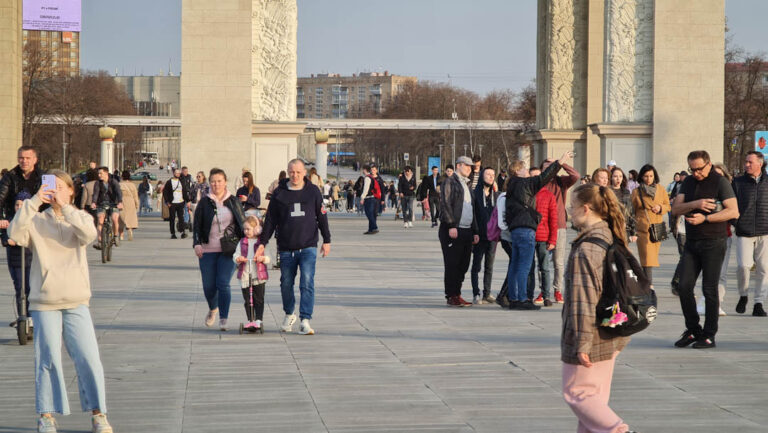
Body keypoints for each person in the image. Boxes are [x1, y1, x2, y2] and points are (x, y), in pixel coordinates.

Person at [9, 170, 113, 433]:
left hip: (76, 299)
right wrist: (34, 201)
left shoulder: (78, 217)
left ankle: (98, 413)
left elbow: (89, 235)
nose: (54, 192)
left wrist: (65, 208)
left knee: (89, 357)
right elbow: (14, 232)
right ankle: (46, 415)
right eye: (49, 187)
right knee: (48, 358)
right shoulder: (36, 219)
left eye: (59, 187)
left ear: (70, 191)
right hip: (46, 300)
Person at [562, 183, 632, 433]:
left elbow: (583, 299)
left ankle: (619, 430)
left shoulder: (587, 247)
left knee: (577, 392)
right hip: (612, 329)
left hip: (590, 333)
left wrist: (581, 343)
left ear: (586, 208)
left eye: (572, 207)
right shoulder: (610, 235)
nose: (569, 211)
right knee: (595, 402)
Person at [671, 150, 739, 349]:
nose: (696, 173)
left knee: (709, 289)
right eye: (692, 169)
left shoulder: (720, 182)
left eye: (699, 169)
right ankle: (693, 330)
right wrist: (696, 204)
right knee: (683, 286)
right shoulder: (689, 181)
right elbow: (676, 208)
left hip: (713, 242)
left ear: (708, 164)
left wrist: (706, 218)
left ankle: (709, 335)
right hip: (692, 242)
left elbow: (733, 211)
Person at [256, 159, 331, 335]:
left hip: (308, 246)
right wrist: (263, 243)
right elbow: (271, 220)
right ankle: (289, 314)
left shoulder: (313, 191)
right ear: (287, 172)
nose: (295, 175)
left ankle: (305, 319)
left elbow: (322, 216)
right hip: (286, 247)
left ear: (304, 172)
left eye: (298, 172)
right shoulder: (279, 193)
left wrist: (327, 240)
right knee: (286, 283)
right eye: (291, 172)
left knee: (306, 282)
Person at [505, 151, 574, 310]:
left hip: (515, 230)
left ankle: (514, 298)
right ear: (517, 171)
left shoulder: (511, 186)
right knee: (524, 265)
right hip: (526, 229)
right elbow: (545, 177)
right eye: (524, 168)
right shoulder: (524, 183)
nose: (527, 171)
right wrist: (561, 161)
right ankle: (523, 299)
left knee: (515, 265)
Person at [193, 168, 246, 331]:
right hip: (208, 249)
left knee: (223, 283)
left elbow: (242, 223)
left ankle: (224, 318)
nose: (216, 184)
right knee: (209, 286)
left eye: (219, 181)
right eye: (213, 181)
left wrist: (246, 246)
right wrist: (197, 243)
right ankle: (213, 308)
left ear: (225, 182)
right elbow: (197, 224)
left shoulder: (233, 201)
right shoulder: (204, 202)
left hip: (229, 249)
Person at [731, 151, 768, 317]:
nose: (746, 164)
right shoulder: (738, 182)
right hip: (744, 232)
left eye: (750, 162)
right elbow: (730, 205)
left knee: (764, 269)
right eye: (746, 161)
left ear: (760, 163)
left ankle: (759, 302)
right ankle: (743, 295)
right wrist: (735, 222)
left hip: (765, 231)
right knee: (743, 266)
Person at [439, 156, 479, 307]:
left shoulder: (467, 184)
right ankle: (451, 295)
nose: (470, 169)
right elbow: (445, 204)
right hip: (453, 229)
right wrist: (451, 225)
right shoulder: (449, 182)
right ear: (459, 165)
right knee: (452, 264)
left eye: (471, 167)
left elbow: (471, 209)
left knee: (464, 264)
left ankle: (458, 292)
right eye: (467, 166)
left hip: (467, 230)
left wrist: (475, 230)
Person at [541, 156, 580, 305]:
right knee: (543, 262)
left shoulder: (560, 181)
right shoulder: (539, 182)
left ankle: (557, 290)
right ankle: (543, 290)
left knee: (558, 262)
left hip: (559, 226)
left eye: (552, 166)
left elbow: (575, 176)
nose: (549, 169)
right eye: (546, 167)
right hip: (543, 226)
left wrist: (562, 164)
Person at [631, 164, 671, 284]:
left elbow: (668, 206)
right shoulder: (636, 192)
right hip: (643, 228)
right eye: (646, 176)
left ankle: (644, 283)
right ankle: (648, 285)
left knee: (651, 259)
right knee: (647, 259)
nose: (648, 179)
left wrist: (660, 208)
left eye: (651, 176)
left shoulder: (661, 189)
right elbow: (632, 211)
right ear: (641, 177)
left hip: (657, 228)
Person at [233, 215, 270, 332]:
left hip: (258, 275)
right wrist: (238, 258)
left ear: (257, 230)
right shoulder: (242, 242)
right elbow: (236, 254)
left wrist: (263, 258)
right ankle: (250, 320)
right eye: (245, 229)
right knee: (248, 299)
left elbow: (269, 257)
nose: (246, 231)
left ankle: (258, 319)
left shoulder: (261, 243)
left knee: (258, 298)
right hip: (245, 274)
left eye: (248, 229)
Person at [527, 167, 557, 307]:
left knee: (544, 268)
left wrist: (552, 239)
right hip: (528, 236)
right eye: (532, 176)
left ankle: (546, 295)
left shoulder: (549, 195)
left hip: (543, 237)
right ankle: (528, 295)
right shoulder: (526, 193)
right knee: (529, 268)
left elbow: (553, 219)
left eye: (538, 176)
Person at [2, 192, 32, 327]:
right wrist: (7, 240)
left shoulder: (33, 220)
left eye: (22, 205)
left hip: (30, 259)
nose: (19, 207)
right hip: (15, 259)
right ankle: (22, 315)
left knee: (30, 288)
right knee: (19, 288)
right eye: (17, 204)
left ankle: (31, 316)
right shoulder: (10, 220)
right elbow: (4, 235)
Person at [471, 167, 499, 304]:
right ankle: (476, 292)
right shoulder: (475, 194)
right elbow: (473, 215)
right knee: (476, 265)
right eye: (488, 174)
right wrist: (474, 232)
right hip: (479, 235)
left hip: (492, 237)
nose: (490, 176)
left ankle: (486, 293)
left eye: (493, 174)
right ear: (482, 176)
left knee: (490, 266)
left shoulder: (496, 195)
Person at [0, 146, 43, 231]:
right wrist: (1, 218)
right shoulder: (9, 177)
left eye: (28, 158)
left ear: (35, 160)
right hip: (14, 221)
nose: (24, 161)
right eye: (21, 158)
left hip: (37, 222)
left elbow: (50, 201)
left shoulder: (44, 177)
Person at [91, 167, 123, 247]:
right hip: (101, 203)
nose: (99, 175)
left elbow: (119, 192)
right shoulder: (97, 183)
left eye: (100, 173)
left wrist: (120, 202)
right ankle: (99, 241)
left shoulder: (113, 182)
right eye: (98, 173)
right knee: (100, 219)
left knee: (114, 218)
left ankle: (115, 236)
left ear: (106, 173)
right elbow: (95, 194)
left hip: (114, 203)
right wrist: (94, 203)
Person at [610, 167, 638, 243]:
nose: (618, 179)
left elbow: (631, 212)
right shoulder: (607, 192)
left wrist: (634, 232)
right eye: (615, 176)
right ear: (611, 177)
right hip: (610, 229)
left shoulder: (626, 192)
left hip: (624, 229)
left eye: (620, 176)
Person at [163, 168, 190, 239]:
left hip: (180, 202)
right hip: (172, 203)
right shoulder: (169, 182)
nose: (178, 174)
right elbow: (165, 192)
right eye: (176, 173)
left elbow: (184, 192)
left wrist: (188, 201)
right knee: (172, 218)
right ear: (174, 173)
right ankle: (173, 233)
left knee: (181, 218)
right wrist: (167, 202)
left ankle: (182, 232)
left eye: (179, 173)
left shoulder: (181, 181)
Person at [359, 165, 381, 234]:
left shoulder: (367, 178)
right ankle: (371, 229)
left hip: (369, 198)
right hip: (372, 198)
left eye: (363, 169)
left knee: (369, 214)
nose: (362, 171)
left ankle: (374, 227)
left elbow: (366, 189)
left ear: (365, 170)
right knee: (370, 214)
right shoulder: (371, 177)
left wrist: (362, 197)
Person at [118, 170, 140, 241]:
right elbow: (135, 196)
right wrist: (136, 205)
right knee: (130, 217)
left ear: (122, 176)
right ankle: (129, 229)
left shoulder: (119, 184)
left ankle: (121, 234)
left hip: (122, 201)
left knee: (121, 218)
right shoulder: (132, 185)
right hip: (131, 202)